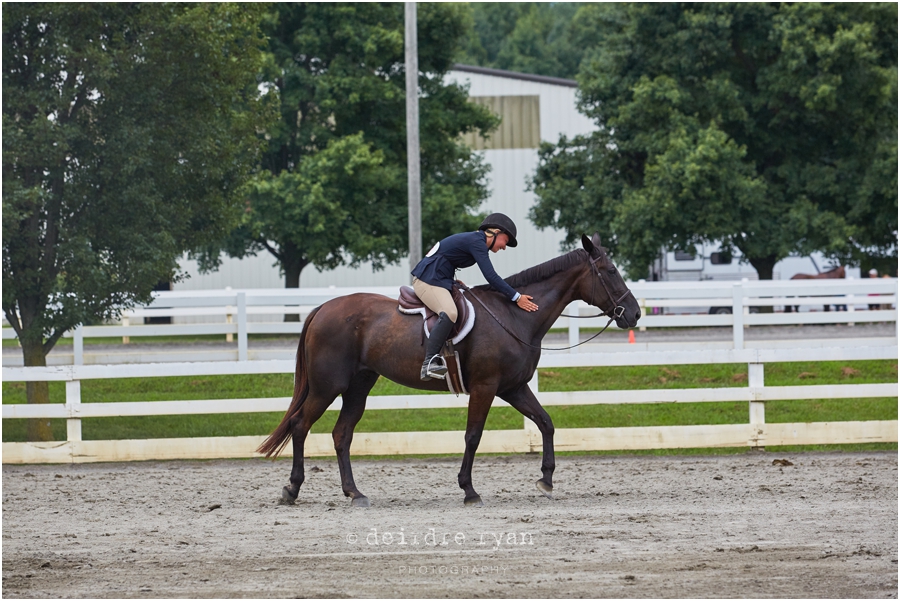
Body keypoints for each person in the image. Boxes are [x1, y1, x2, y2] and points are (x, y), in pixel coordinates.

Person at [411, 213, 539, 380]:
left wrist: (452, 281)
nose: (504, 247)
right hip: (427, 280)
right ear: (496, 233)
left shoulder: (476, 241)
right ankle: (429, 363)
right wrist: (516, 297)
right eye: (505, 241)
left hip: (440, 279)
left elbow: (446, 260)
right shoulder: (477, 242)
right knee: (450, 313)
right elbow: (491, 276)